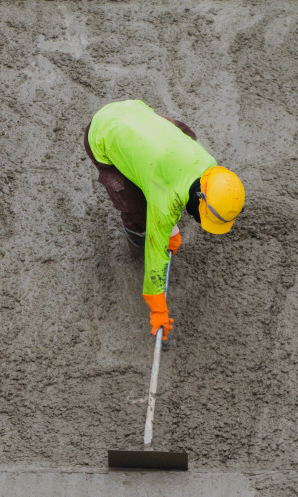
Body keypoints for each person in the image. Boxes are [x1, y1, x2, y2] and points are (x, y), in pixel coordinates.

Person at [84, 99, 245, 340]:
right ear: (199, 199)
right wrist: (157, 306)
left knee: (180, 136)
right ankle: (133, 234)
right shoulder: (164, 201)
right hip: (103, 133)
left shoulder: (210, 167)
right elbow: (155, 250)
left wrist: (171, 229)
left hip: (136, 113)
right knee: (136, 208)